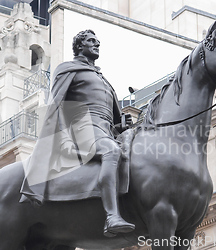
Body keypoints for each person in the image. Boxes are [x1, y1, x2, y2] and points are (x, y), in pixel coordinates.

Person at [21, 29, 135, 237]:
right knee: (111, 151)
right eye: (91, 41)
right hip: (82, 129)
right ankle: (111, 217)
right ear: (79, 46)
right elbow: (57, 104)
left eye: (98, 41)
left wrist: (121, 125)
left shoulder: (103, 79)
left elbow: (111, 121)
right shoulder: (67, 69)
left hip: (103, 131)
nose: (97, 44)